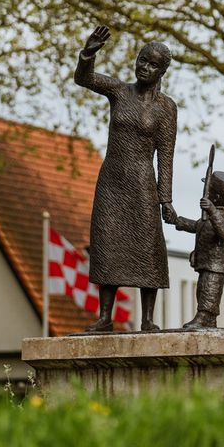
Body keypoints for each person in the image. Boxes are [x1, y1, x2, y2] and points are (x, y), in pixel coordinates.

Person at [74, 25, 177, 332]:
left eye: (152, 64)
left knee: (148, 247)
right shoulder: (120, 92)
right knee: (107, 243)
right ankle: (106, 316)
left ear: (161, 72)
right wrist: (88, 53)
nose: (144, 67)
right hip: (112, 181)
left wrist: (165, 199)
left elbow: (166, 154)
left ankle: (147, 319)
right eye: (142, 60)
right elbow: (85, 79)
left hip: (142, 182)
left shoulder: (165, 108)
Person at [172, 171, 224, 329]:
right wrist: (176, 220)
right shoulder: (208, 219)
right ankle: (209, 320)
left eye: (208, 191)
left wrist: (212, 211)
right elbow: (196, 226)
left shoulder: (223, 218)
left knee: (209, 291)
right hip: (206, 263)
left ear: (215, 197)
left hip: (217, 266)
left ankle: (204, 316)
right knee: (202, 290)